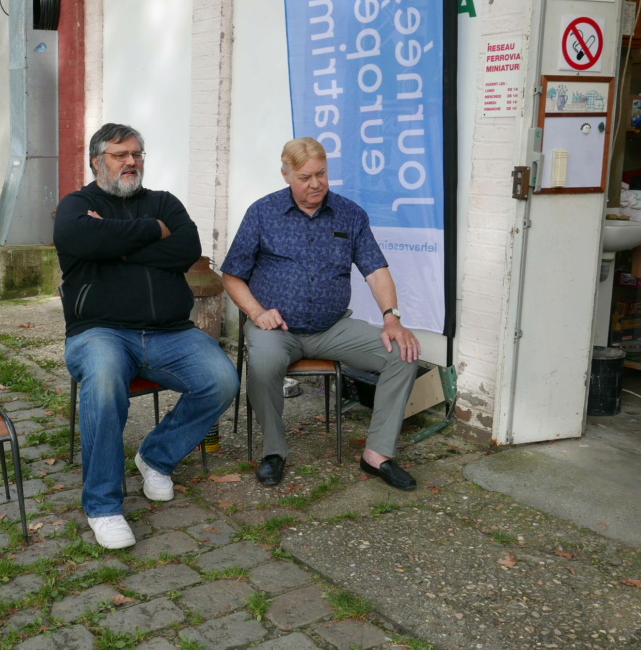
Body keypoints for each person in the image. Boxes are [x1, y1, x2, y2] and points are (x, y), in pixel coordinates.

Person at [53, 123, 239, 549]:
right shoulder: (77, 205)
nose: (132, 161)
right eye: (121, 155)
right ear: (97, 160)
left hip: (169, 332)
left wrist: (113, 244)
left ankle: (156, 456)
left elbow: (187, 249)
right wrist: (153, 231)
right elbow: (77, 236)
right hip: (99, 332)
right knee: (102, 382)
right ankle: (103, 505)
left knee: (222, 379)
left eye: (137, 154)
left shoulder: (163, 202)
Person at [221, 137, 421, 490]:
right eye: (305, 177)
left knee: (402, 356)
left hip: (332, 328)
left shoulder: (350, 214)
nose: (315, 183)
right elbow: (232, 275)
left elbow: (376, 270)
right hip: (276, 328)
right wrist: (256, 311)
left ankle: (378, 454)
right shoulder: (262, 213)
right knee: (264, 363)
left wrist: (393, 318)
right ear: (286, 176)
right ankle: (274, 451)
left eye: (321, 174)